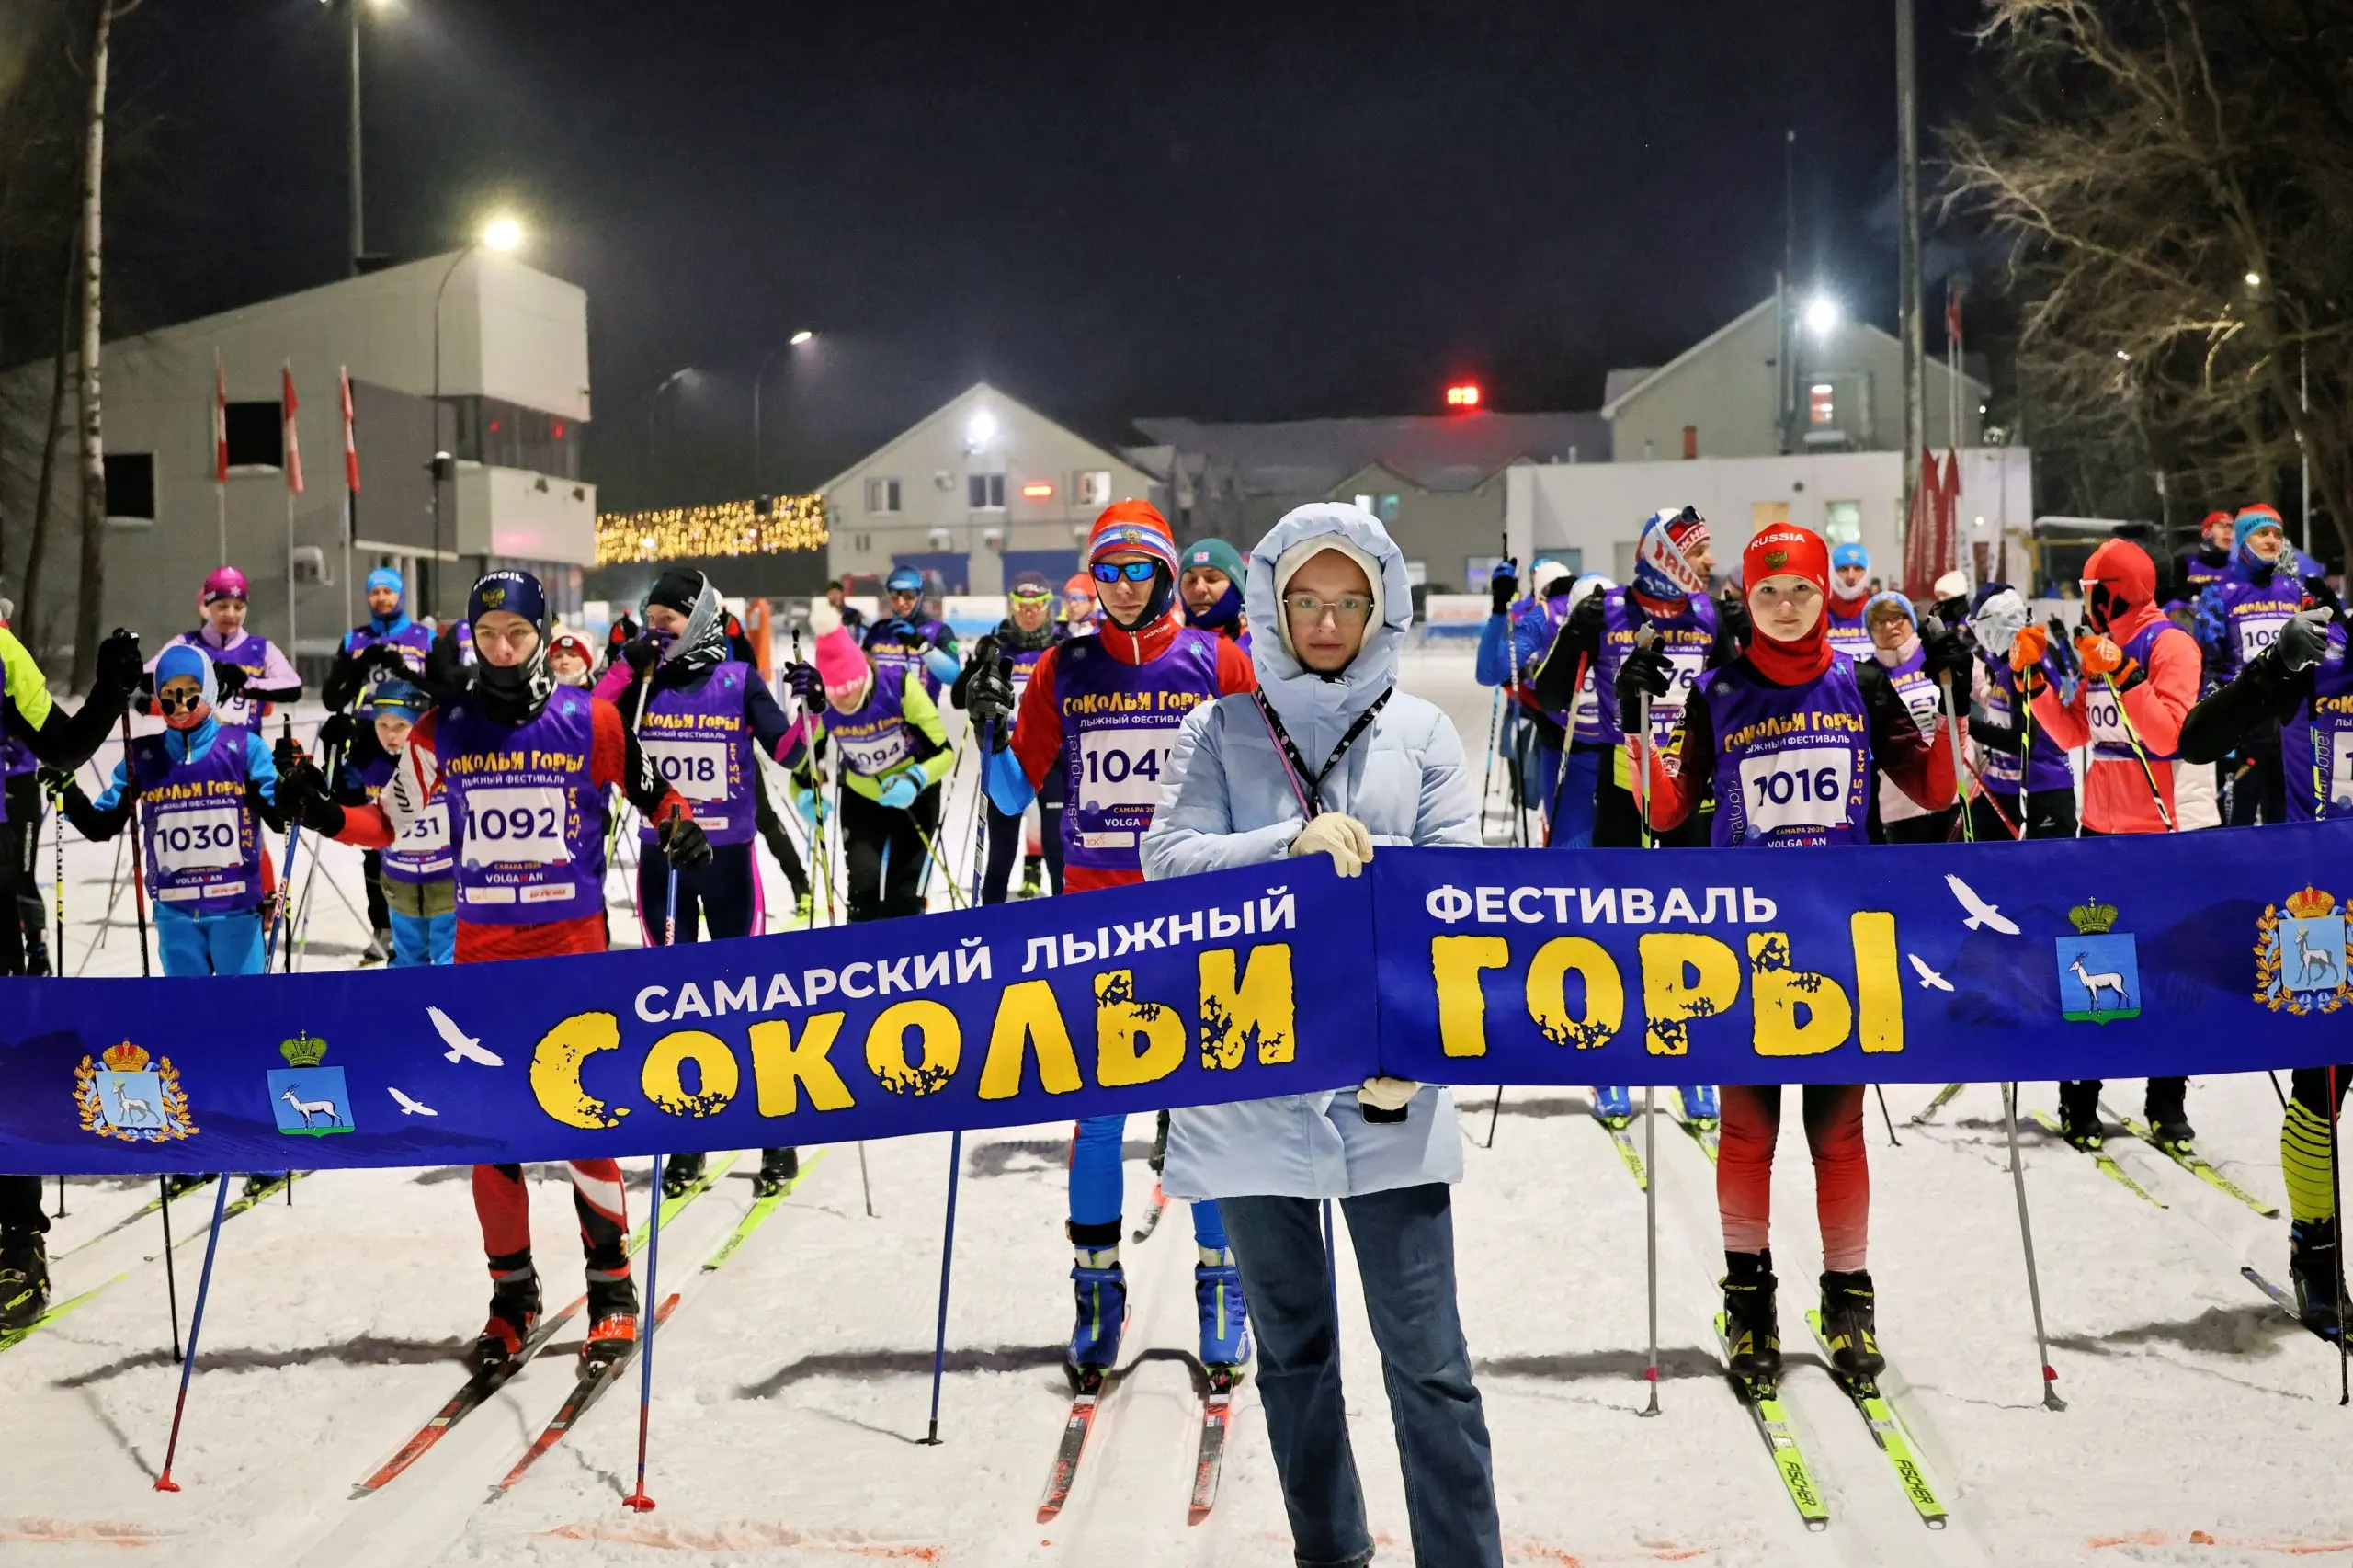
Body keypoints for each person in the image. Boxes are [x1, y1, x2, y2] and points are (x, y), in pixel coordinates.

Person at [1141, 500, 1503, 1568]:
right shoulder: (1220, 728)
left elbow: (1459, 900)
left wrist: (1412, 1054)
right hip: (1250, 1085)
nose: (1329, 620)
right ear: (1275, 604)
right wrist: (1282, 843)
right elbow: (1166, 858)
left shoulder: (1423, 732)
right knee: (1294, 1356)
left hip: (1388, 1089)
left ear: (1380, 604)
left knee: (1429, 1360)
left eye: (1350, 600)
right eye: (1308, 599)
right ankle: (1330, 1551)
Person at [276, 568, 711, 1375]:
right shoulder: (446, 729)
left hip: (572, 961)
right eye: (487, 636)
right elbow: (387, 823)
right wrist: (323, 811)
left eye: (515, 634)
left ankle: (612, 1289)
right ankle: (512, 1297)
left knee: (584, 1127)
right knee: (492, 1140)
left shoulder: (596, 720)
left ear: (542, 635)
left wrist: (681, 829)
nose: (502, 650)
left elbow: (660, 798)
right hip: (482, 965)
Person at [1618, 523, 1965, 1386]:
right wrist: (1634, 724)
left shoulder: (1862, 682)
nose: (1782, 608)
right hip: (1743, 950)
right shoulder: (1719, 690)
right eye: (1767, 592)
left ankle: (1849, 1302)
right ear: (1749, 596)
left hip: (1841, 944)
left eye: (1800, 591)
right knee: (1747, 1130)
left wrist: (1952, 692)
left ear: (1824, 593)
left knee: (1837, 1133)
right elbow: (1666, 815)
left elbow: (1935, 789)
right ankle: (1750, 1308)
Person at [965, 499, 1257, 1391]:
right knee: (1099, 1116)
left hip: (1195, 918)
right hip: (1097, 920)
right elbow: (1015, 795)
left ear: (1165, 572)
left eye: (1140, 570)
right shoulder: (1064, 665)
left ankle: (1222, 1286)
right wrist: (984, 730)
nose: (1124, 588)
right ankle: (1096, 1291)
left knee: (1203, 1116)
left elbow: (1267, 778)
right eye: (1109, 571)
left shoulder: (1217, 659)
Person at [599, 569, 804, 1198]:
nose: (658, 632)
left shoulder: (738, 679)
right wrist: (623, 669)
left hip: (729, 864)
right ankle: (688, 1140)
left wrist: (813, 710)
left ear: (701, 618)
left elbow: (791, 753)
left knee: (746, 1001)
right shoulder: (635, 684)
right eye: (651, 620)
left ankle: (777, 1136)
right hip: (662, 865)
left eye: (671, 621)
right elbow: (586, 723)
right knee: (674, 1006)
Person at [2180, 588, 2347, 1332]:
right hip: (2317, 913)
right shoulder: (2323, 656)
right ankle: (2316, 1260)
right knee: (2322, 1088)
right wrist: (2271, 668)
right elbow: (2197, 739)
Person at [2012, 537, 2202, 1151]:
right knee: (2095, 964)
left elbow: (2170, 734)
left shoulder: (2169, 644)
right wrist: (2032, 679)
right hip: (2098, 829)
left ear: (2118, 590)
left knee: (2166, 969)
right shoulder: (2100, 647)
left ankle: (2166, 1101)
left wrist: (2122, 670)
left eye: (2092, 591)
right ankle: (2080, 1097)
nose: (2084, 602)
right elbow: (2071, 732)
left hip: (2160, 835)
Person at [0, 619, 145, 1333]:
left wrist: (111, 691)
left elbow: (59, 746)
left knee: (6, 1058)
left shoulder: (0, 651)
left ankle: (17, 1237)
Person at [56, 645, 288, 978]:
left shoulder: (243, 748)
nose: (180, 706)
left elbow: (280, 818)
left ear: (208, 690)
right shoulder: (144, 756)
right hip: (175, 914)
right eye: (169, 695)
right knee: (186, 1019)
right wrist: (69, 793)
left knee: (246, 1013)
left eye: (191, 694)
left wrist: (292, 788)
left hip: (235, 910)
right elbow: (102, 824)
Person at [1531, 507, 1743, 850]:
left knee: (1693, 888)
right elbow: (1550, 698)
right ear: (1664, 556)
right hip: (1622, 782)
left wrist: (1750, 640)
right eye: (1697, 552)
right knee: (1620, 891)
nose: (1711, 561)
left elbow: (1735, 706)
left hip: (1688, 779)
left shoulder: (1709, 615)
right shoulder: (1606, 612)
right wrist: (1573, 634)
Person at [779, 604, 956, 922]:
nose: (843, 703)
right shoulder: (823, 706)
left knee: (905, 899)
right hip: (861, 797)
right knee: (864, 895)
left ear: (863, 676)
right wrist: (803, 796)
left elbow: (944, 753)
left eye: (849, 692)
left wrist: (915, 778)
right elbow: (801, 767)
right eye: (835, 696)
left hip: (916, 797)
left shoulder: (898, 685)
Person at [317, 566, 437, 964]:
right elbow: (333, 697)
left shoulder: (423, 637)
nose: (382, 598)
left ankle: (436, 923)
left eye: (389, 591)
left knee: (425, 831)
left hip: (415, 739)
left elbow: (441, 689)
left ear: (401, 595)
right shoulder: (355, 639)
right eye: (375, 592)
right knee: (375, 841)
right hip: (371, 744)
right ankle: (383, 927)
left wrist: (402, 669)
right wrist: (360, 662)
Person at [949, 569, 1065, 903]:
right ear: (1012, 606)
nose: (1029, 611)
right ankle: (990, 929)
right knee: (1000, 855)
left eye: (1037, 604)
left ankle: (1068, 927)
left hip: (1052, 764)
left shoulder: (1061, 649)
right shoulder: (999, 647)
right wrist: (975, 664)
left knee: (1058, 854)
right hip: (1005, 761)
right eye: (1021, 604)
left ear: (1048, 606)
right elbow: (959, 698)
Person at [2192, 504, 2303, 825]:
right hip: (2242, 727)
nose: (2272, 541)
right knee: (2236, 822)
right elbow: (2209, 667)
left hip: (2288, 726)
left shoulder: (2295, 591)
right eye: (2261, 533)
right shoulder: (2219, 595)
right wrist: (2216, 726)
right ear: (2242, 540)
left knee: (2284, 821)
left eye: (2278, 534)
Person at [337, 680, 454, 966]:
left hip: (447, 877)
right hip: (399, 879)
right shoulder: (366, 764)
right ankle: (406, 1006)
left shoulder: (438, 759)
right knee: (407, 958)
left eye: (401, 726)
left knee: (448, 956)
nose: (390, 735)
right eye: (382, 725)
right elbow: (345, 807)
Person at [1965, 584, 2077, 840]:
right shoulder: (2005, 657)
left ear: (1995, 622)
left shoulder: (2028, 661)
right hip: (2001, 788)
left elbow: (2022, 740)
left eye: (1979, 625)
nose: (1978, 635)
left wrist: (1966, 724)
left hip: (2040, 791)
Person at [1474, 558, 1572, 844]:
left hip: (1544, 713)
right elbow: (1503, 663)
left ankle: (1533, 833)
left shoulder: (1543, 612)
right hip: (1527, 706)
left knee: (1537, 780)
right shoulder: (1525, 610)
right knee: (1517, 760)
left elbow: (1490, 668)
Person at [153, 566, 302, 733]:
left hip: (247, 751)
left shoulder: (261, 648)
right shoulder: (186, 643)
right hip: (197, 751)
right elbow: (148, 676)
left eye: (238, 607)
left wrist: (244, 685)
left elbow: (293, 686)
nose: (231, 614)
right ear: (208, 606)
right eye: (222, 606)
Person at [1862, 592, 1958, 843]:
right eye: (1879, 622)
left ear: (1910, 619)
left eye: (1896, 617)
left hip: (1955, 793)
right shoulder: (1867, 676)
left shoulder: (1936, 655)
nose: (1889, 626)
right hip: (1899, 803)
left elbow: (1982, 692)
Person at [863, 565, 960, 702]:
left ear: (920, 596)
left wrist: (923, 646)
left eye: (909, 595)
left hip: (921, 719)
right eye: (895, 595)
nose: (901, 602)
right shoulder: (878, 631)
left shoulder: (939, 631)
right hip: (881, 720)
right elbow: (860, 674)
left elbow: (953, 676)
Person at [1179, 537, 1250, 648]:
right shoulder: (1164, 651)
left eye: (1212, 579)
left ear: (1236, 587)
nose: (1199, 589)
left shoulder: (1261, 654)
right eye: (1191, 580)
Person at [1824, 542, 1876, 663]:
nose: (1851, 576)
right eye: (1843, 569)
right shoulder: (1817, 614)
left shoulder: (1880, 613)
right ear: (1832, 571)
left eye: (1858, 568)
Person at [2174, 509, 2237, 603]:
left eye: (2231, 527)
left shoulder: (2242, 563)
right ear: (2206, 533)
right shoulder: (2187, 559)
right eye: (2221, 526)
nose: (2228, 531)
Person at [1061, 572, 1099, 637]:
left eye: (1079, 597)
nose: (1072, 604)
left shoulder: (1104, 634)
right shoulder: (1057, 635)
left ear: (1092, 602)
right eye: (1068, 597)